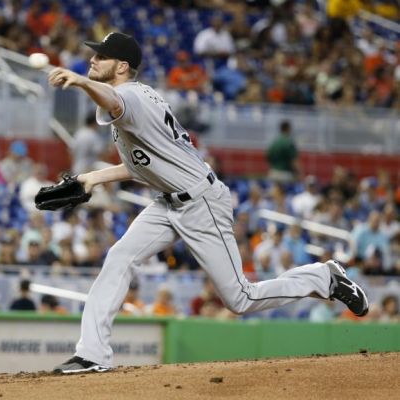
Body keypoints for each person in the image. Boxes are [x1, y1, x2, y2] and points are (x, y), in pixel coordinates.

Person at [46, 32, 369, 374]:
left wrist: (81, 81)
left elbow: (114, 100)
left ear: (122, 66)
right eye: (93, 56)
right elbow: (144, 164)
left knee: (240, 298)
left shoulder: (128, 97)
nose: (93, 60)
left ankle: (324, 278)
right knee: (119, 257)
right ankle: (93, 354)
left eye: (102, 56)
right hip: (168, 201)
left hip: (201, 203)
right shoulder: (136, 97)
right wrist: (90, 179)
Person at [266, 120, 299, 184]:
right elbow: (294, 161)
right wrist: (299, 174)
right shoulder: (289, 142)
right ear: (288, 128)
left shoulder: (274, 142)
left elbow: (268, 157)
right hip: (285, 174)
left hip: (273, 173)